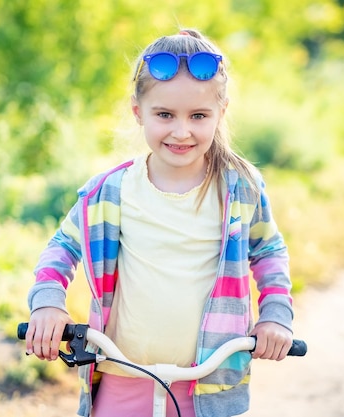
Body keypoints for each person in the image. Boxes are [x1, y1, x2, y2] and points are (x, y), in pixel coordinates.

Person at [24, 28, 294, 417]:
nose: (181, 131)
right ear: (138, 112)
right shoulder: (109, 192)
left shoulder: (239, 188)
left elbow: (268, 251)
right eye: (164, 114)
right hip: (121, 375)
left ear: (221, 112)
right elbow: (61, 248)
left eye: (198, 116)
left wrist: (275, 316)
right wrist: (48, 304)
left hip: (208, 383)